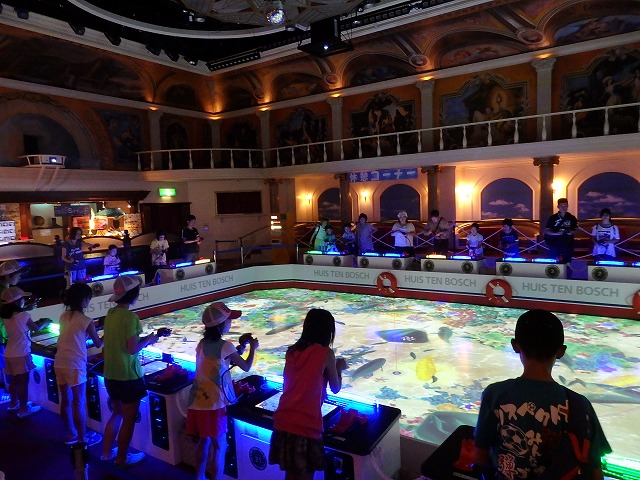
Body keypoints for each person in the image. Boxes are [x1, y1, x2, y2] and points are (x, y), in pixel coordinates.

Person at [474, 309, 612, 479]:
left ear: (515, 345)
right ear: (561, 351)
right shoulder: (580, 404)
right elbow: (595, 471)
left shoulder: (495, 394)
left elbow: (480, 457)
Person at [269, 309, 348, 480]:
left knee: (291, 475)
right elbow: (335, 388)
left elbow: (291, 381)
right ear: (328, 332)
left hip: (283, 420)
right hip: (305, 423)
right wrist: (339, 368)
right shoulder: (326, 353)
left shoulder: (291, 351)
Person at [100, 276, 170, 467]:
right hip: (128, 376)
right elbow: (132, 349)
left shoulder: (111, 314)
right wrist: (149, 339)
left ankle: (106, 453)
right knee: (129, 419)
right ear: (134, 294)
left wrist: (148, 338)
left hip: (110, 374)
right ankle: (122, 459)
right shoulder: (130, 317)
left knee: (116, 413)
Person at [186, 302, 259, 480]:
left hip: (197, 400)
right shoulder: (226, 345)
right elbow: (246, 367)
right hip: (214, 403)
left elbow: (218, 362)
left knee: (203, 441)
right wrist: (252, 348)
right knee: (220, 446)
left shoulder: (202, 343)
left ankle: (199, 477)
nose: (230, 323)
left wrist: (237, 350)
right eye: (228, 320)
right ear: (220, 324)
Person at [54, 283, 103, 445]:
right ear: (83, 299)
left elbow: (74, 336)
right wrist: (107, 332)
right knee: (79, 401)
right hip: (75, 364)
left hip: (60, 361)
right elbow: (98, 344)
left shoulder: (63, 316)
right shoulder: (86, 320)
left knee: (65, 400)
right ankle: (82, 438)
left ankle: (71, 434)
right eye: (89, 298)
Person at [0, 286, 50, 417]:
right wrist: (45, 322)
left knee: (14, 381)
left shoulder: (6, 317)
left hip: (9, 353)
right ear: (17, 301)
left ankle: (13, 403)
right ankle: (23, 409)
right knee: (23, 382)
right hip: (21, 353)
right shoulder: (24, 315)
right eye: (23, 299)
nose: (25, 301)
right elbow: (36, 328)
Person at [544, 198, 578, 264]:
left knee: (567, 263)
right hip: (554, 244)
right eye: (562, 205)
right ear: (558, 207)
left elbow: (575, 229)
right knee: (552, 263)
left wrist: (571, 232)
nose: (563, 207)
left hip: (567, 244)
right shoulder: (553, 218)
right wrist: (557, 233)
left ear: (567, 206)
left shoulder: (572, 218)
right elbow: (547, 230)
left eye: (565, 205)